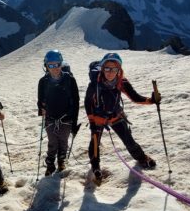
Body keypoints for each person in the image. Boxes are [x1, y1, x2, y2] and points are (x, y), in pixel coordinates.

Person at [85, 52, 160, 184]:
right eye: (107, 68)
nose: (110, 72)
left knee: (129, 140)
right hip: (98, 118)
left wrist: (151, 100)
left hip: (115, 115)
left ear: (119, 70)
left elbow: (135, 97)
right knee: (95, 143)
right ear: (102, 68)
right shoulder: (95, 83)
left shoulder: (121, 82)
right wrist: (92, 120)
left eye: (114, 69)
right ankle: (96, 167)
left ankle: (142, 158)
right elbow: (87, 103)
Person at [37, 50, 79, 176]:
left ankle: (61, 161)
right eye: (51, 65)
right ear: (46, 66)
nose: (55, 68)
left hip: (66, 118)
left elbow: (76, 101)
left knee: (63, 142)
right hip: (50, 118)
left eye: (57, 65)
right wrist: (41, 107)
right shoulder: (43, 82)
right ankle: (50, 164)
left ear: (61, 64)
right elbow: (40, 101)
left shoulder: (70, 79)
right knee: (52, 143)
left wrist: (74, 122)